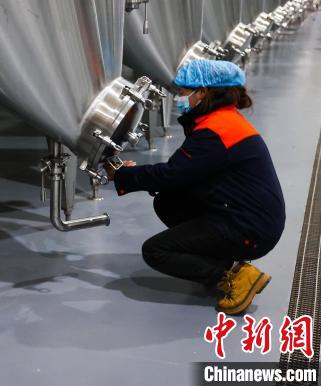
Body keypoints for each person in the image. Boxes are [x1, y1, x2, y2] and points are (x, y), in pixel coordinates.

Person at [107, 60, 285, 315]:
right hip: (248, 215)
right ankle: (219, 260)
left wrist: (123, 175)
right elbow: (183, 174)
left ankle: (235, 275)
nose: (180, 98)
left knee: (156, 250)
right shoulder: (221, 119)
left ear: (202, 92)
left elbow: (171, 174)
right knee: (168, 202)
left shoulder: (215, 131)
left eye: (183, 92)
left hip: (251, 229)